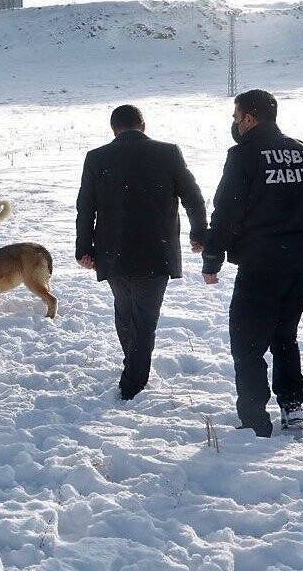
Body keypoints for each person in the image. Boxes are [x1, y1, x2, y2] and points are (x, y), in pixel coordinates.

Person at [202, 89, 303, 436]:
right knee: (285, 333)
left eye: (236, 116)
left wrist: (212, 257)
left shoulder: (244, 155)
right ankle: (292, 405)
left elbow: (227, 211)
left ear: (249, 118)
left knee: (247, 342)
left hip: (261, 263)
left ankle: (255, 419)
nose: (234, 123)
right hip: (301, 263)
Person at [75, 105, 207, 401]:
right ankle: (134, 380)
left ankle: (133, 372)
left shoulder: (97, 157)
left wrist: (83, 248)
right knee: (144, 318)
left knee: (125, 312)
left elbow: (85, 205)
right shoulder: (168, 153)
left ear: (114, 129)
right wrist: (199, 232)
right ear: (143, 125)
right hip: (155, 251)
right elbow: (193, 196)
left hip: (112, 251)